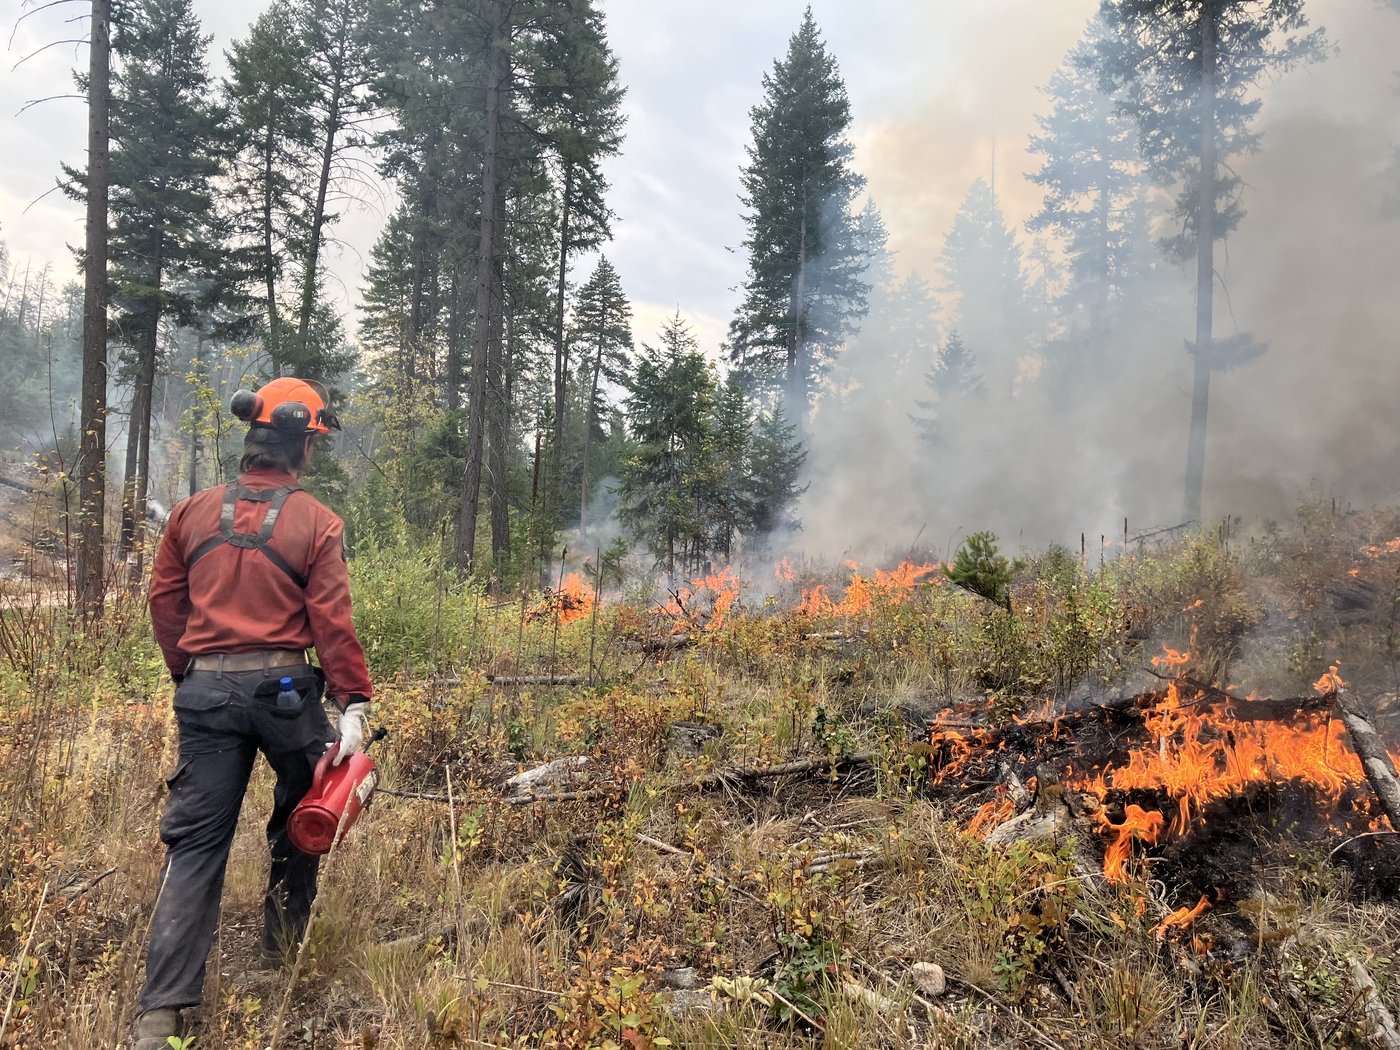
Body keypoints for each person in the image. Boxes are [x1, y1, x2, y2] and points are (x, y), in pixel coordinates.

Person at [133, 377, 374, 1050]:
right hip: (288, 694)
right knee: (307, 815)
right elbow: (331, 621)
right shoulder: (318, 522)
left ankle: (161, 1013)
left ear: (251, 442)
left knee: (196, 848)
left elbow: (164, 605)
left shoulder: (188, 514)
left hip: (204, 692)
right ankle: (281, 948)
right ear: (301, 447)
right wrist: (352, 704)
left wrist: (192, 673)